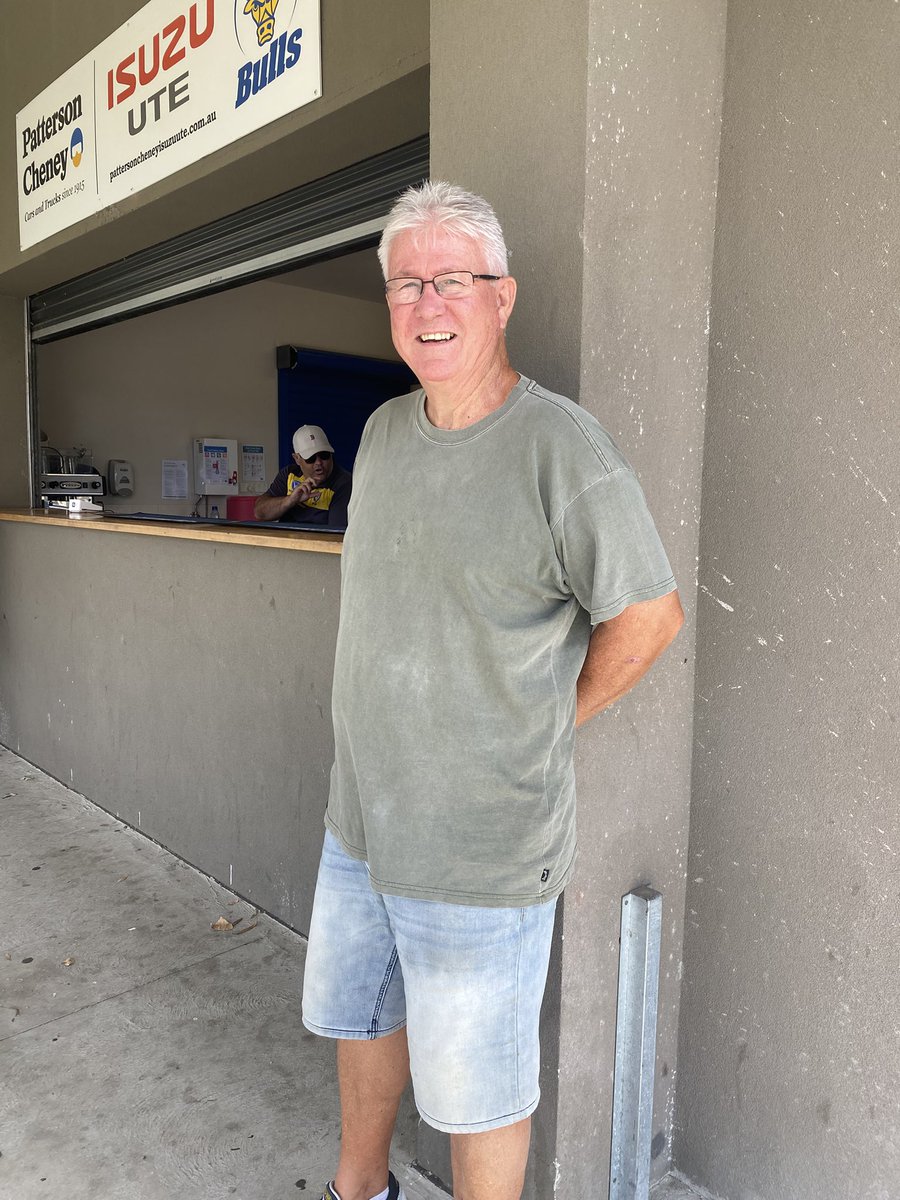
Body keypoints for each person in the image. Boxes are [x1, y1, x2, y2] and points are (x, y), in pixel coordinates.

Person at [301, 182, 685, 1200]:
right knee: (363, 1021)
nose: (427, 303)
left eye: (452, 280)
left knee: (481, 1095)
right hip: (361, 825)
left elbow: (649, 619)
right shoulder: (381, 437)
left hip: (481, 848)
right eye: (405, 283)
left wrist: (545, 723)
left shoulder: (564, 450)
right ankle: (359, 1191)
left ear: (502, 297)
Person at [253, 424, 352, 526]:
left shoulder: (344, 483)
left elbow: (335, 536)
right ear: (297, 459)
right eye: (311, 458)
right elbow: (260, 513)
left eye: (324, 455)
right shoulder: (289, 474)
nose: (319, 463)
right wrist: (290, 500)